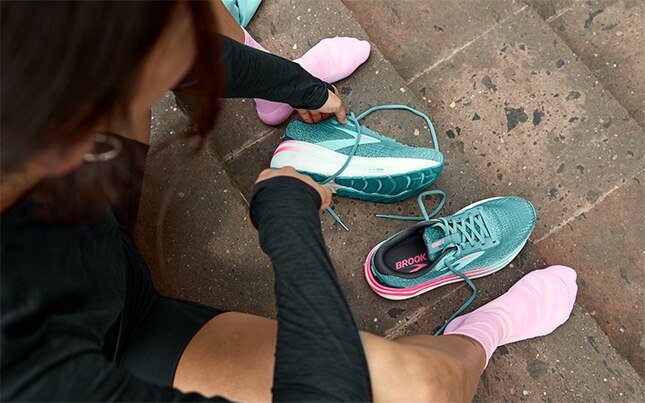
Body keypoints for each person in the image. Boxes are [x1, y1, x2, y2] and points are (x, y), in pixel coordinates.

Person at [0, 1, 578, 401]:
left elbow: (156, 43)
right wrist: (285, 214)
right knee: (417, 389)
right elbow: (327, 394)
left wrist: (297, 86)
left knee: (139, 30)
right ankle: (482, 331)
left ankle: (272, 100)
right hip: (108, 348)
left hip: (81, 232)